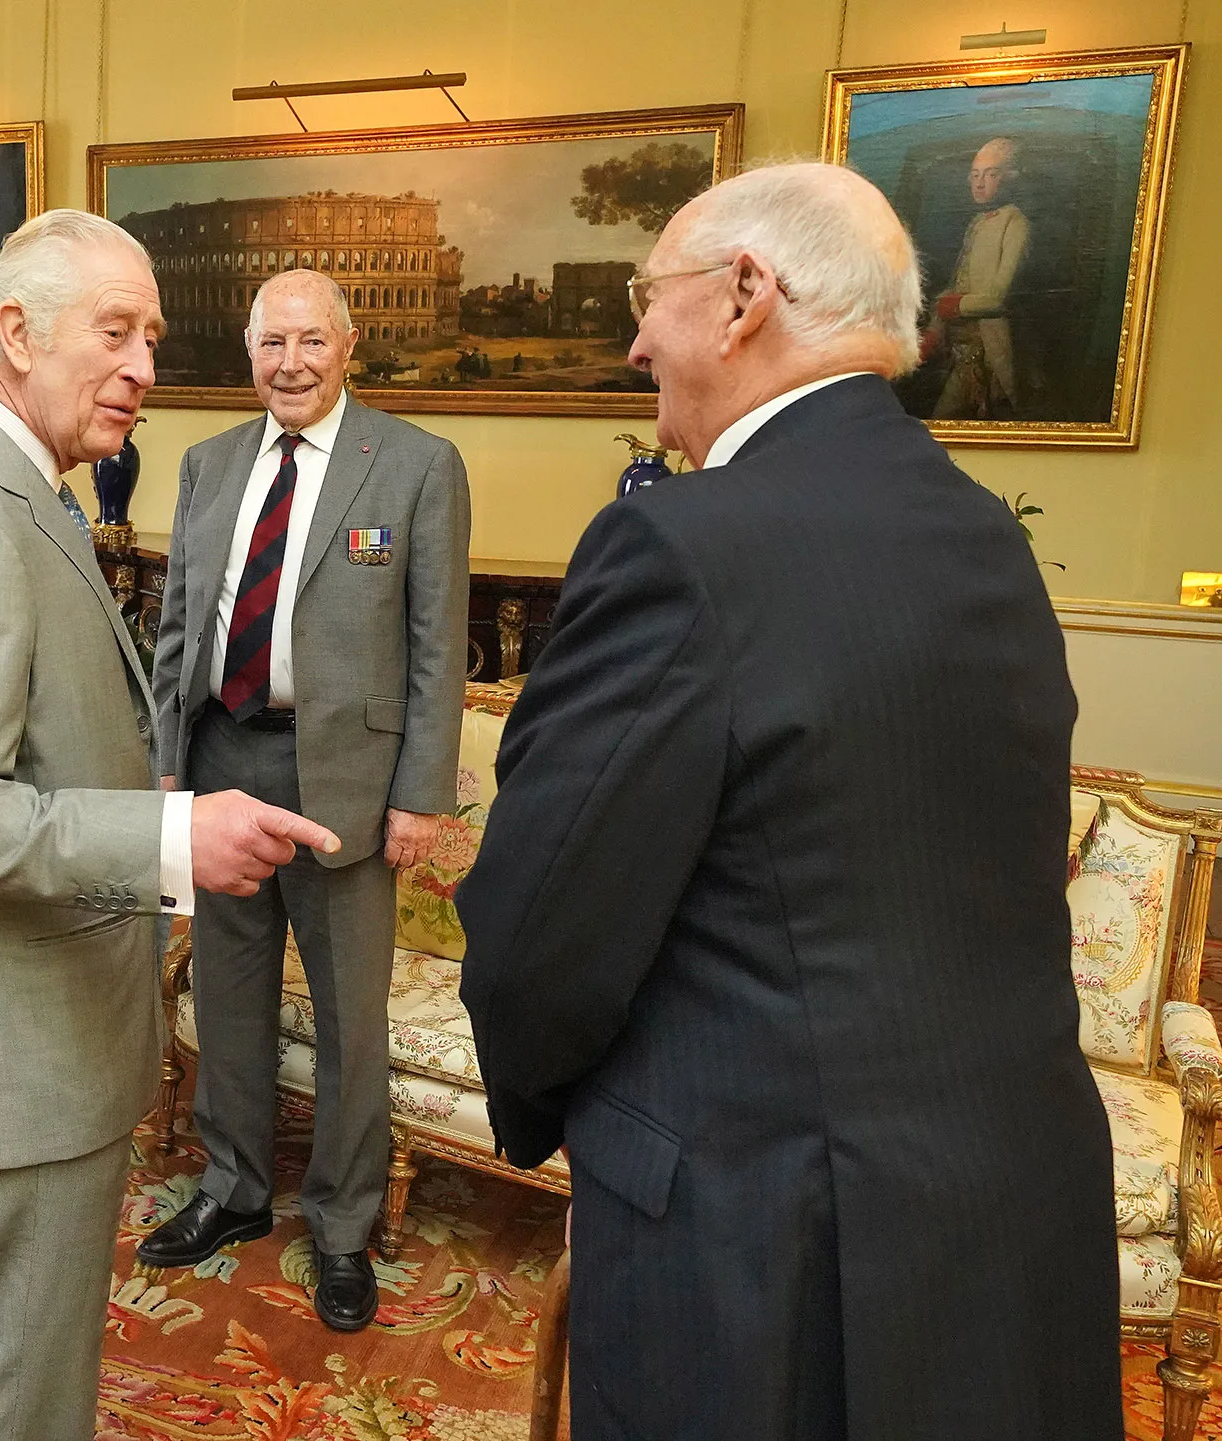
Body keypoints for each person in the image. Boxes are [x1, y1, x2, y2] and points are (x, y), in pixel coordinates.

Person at [455, 161, 1118, 1440]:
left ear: (744, 294)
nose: (635, 341)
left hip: (762, 1232)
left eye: (648, 297)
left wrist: (554, 1110)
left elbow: (541, 922)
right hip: (1009, 1200)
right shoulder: (982, 531)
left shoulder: (679, 545)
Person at [0, 208, 340, 1441]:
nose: (142, 367)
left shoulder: (17, 488)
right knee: (12, 1391)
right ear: (14, 333)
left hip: (19, 1042)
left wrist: (155, 807)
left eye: (152, 339)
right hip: (13, 1056)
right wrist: (170, 843)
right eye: (115, 333)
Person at [137, 268, 470, 1332]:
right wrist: (166, 765)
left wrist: (418, 795)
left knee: (348, 1018)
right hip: (222, 763)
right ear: (249, 352)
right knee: (228, 997)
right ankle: (232, 1187)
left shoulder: (416, 465)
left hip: (347, 788)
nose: (290, 363)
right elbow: (178, 627)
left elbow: (436, 649)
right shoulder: (207, 463)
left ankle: (341, 1223)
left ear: (348, 345)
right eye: (271, 343)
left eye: (311, 341)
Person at [925, 137, 1030, 418]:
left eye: (990, 175)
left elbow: (998, 298)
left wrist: (955, 306)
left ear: (1009, 177)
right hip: (963, 354)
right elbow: (958, 283)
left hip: (992, 352)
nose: (980, 184)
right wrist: (935, 329)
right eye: (975, 175)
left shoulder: (1015, 223)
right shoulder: (977, 223)